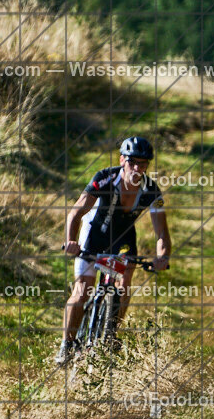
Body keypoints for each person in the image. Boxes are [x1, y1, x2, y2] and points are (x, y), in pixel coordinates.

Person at [55, 136, 171, 366]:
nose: (137, 168)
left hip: (122, 238)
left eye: (143, 163)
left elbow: (162, 233)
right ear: (122, 160)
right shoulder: (104, 179)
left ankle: (110, 334)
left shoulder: (151, 191)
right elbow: (75, 214)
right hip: (94, 233)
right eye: (132, 162)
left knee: (125, 280)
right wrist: (70, 241)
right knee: (83, 289)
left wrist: (163, 257)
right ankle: (66, 344)